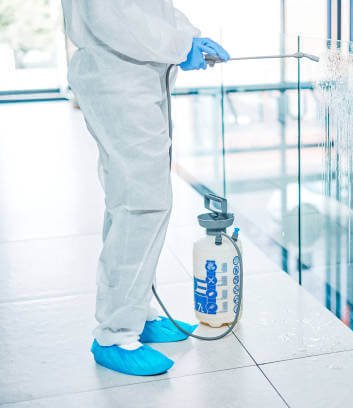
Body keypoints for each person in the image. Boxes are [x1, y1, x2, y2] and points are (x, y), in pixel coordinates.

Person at [61, 0, 229, 376]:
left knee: (132, 201)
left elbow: (153, 9)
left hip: (138, 77)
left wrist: (190, 37)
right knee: (142, 205)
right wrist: (179, 45)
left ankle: (138, 311)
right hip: (117, 78)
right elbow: (112, 16)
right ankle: (115, 334)